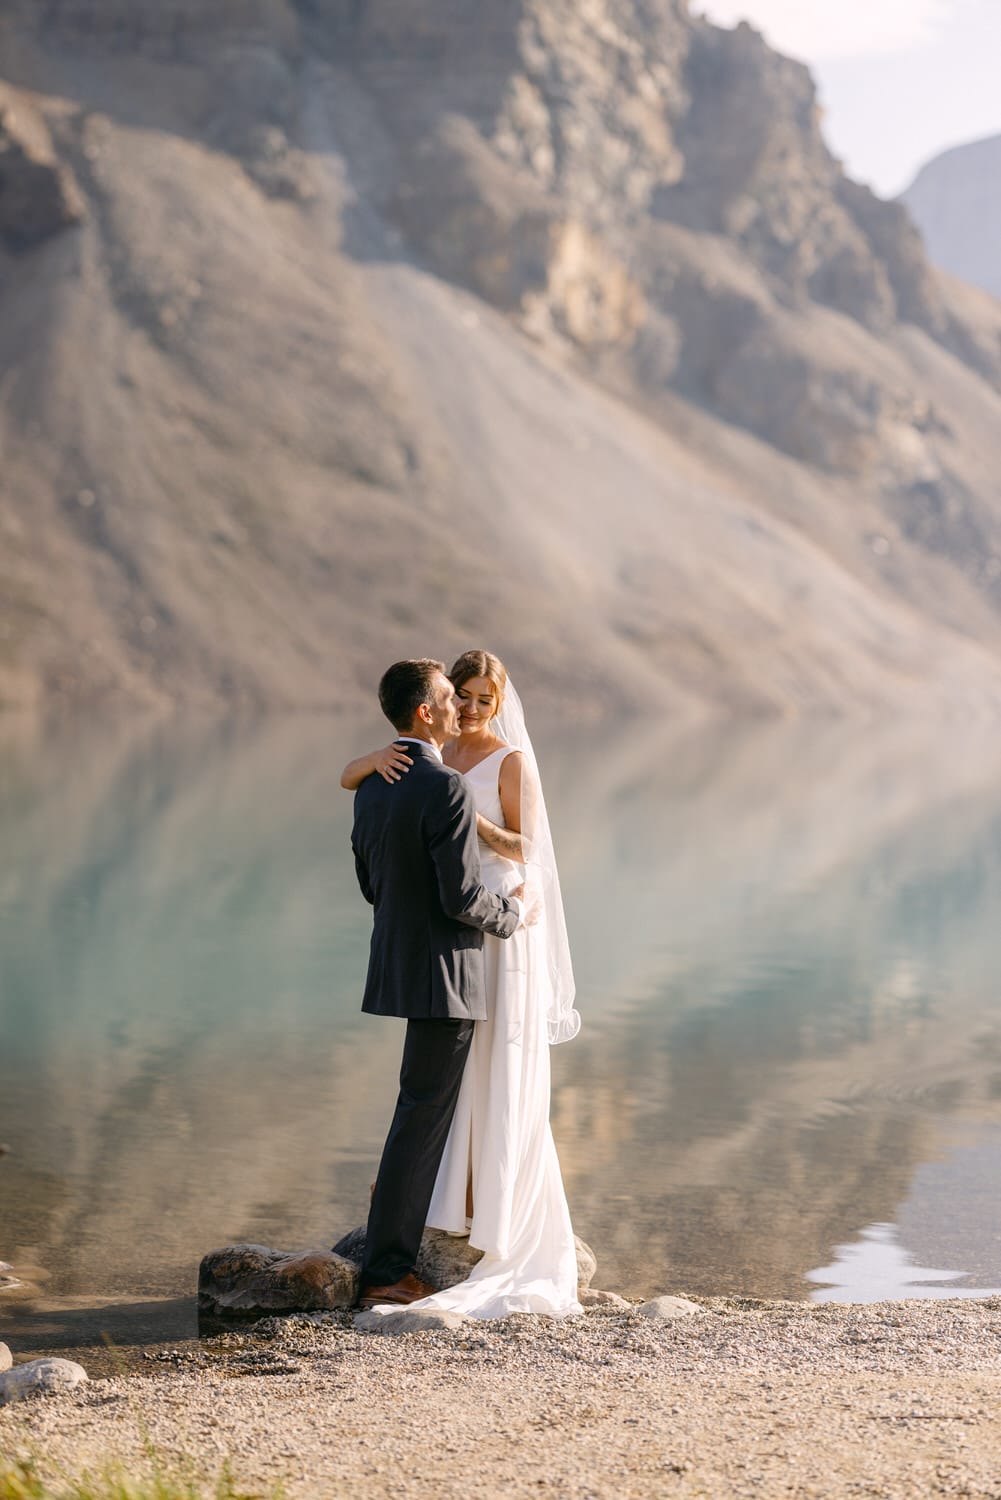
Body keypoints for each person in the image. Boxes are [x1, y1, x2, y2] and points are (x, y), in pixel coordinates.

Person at [342, 649, 582, 1317]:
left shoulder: (377, 783)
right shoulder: (437, 781)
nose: (464, 707)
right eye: (455, 696)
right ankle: (390, 1268)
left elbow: (372, 880)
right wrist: (510, 916)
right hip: (459, 954)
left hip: (408, 959)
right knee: (421, 1113)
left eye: (477, 696)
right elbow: (455, 895)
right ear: (429, 709)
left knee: (421, 1106)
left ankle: (441, 1217)